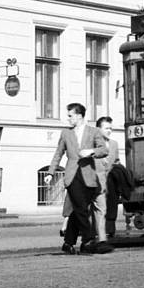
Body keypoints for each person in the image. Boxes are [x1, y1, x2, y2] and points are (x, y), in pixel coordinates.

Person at [44, 103, 109, 255]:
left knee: (77, 210)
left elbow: (104, 150)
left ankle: (68, 242)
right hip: (72, 175)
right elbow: (58, 153)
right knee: (81, 208)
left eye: (70, 115)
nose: (68, 118)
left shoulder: (93, 132)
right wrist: (50, 173)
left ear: (79, 116)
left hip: (88, 176)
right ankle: (88, 240)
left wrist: (91, 152)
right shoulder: (66, 133)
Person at [95, 116, 121, 241]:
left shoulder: (114, 144)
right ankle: (96, 232)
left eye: (110, 128)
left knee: (111, 205)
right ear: (98, 129)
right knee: (99, 207)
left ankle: (110, 231)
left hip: (110, 181)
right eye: (106, 128)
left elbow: (116, 161)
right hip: (97, 180)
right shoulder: (93, 144)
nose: (109, 131)